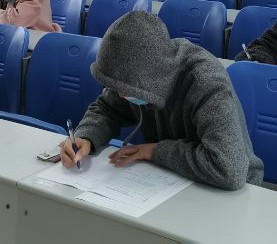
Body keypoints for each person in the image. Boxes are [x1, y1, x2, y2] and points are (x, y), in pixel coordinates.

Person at [59, 11, 263, 190]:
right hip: (170, 179)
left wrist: (156, 151)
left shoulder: (205, 81)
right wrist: (86, 137)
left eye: (124, 89)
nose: (120, 95)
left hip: (232, 190)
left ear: (150, 80)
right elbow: (107, 108)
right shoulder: (137, 74)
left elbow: (229, 169)